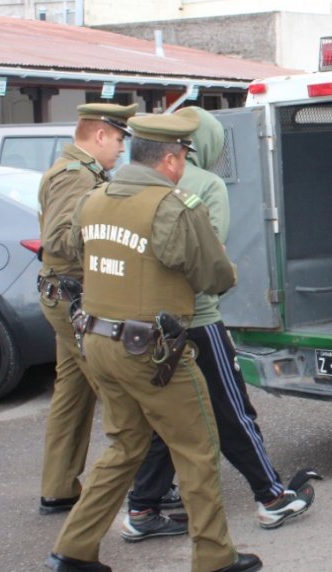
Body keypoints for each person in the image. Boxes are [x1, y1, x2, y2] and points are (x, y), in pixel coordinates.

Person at [45, 113, 260, 572]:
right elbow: (213, 276)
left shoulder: (93, 198)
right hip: (153, 351)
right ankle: (215, 556)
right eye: (182, 156)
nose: (183, 165)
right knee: (197, 448)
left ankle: (73, 550)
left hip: (98, 341)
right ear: (170, 159)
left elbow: (69, 252)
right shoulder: (175, 205)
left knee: (125, 446)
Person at [126, 107, 319, 530]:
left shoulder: (126, 183)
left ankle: (142, 507)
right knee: (231, 409)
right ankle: (271, 496)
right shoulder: (206, 185)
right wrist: (223, 281)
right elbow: (208, 252)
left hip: (143, 323)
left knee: (165, 413)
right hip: (197, 319)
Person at [36, 103, 182, 528]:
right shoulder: (77, 176)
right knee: (124, 400)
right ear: (100, 135)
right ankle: (144, 491)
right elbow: (59, 242)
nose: (121, 149)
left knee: (73, 395)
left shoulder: (75, 171)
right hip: (76, 298)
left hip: (65, 298)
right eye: (118, 140)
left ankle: (59, 488)